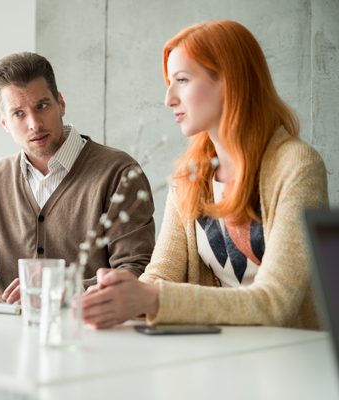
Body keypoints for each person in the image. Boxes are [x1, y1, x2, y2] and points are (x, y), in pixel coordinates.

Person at [82, 20, 329, 330]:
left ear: (228, 81)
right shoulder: (189, 175)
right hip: (216, 352)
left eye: (182, 80)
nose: (169, 99)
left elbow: (275, 302)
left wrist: (150, 298)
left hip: (290, 354)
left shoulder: (297, 166)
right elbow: (161, 274)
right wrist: (113, 295)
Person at [0, 52, 156, 303]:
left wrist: (61, 288)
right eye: (18, 114)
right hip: (12, 326)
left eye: (41, 106)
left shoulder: (119, 173)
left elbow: (137, 270)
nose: (34, 124)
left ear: (61, 103)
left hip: (92, 326)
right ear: (4, 122)